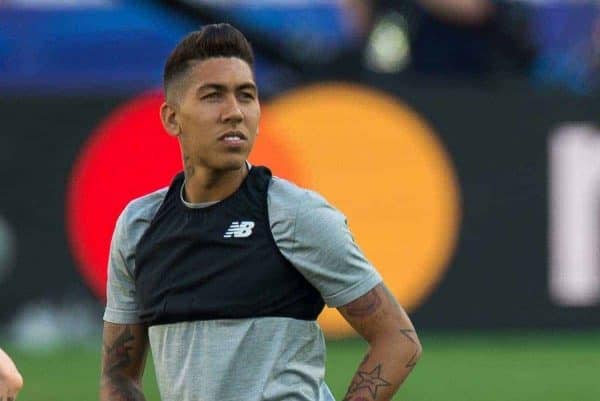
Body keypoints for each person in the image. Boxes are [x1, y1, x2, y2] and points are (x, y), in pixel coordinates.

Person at [100, 23, 421, 401]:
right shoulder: (139, 226)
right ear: (172, 118)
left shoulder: (296, 215)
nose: (234, 112)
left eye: (246, 95)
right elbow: (118, 377)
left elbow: (397, 340)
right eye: (213, 96)